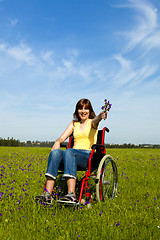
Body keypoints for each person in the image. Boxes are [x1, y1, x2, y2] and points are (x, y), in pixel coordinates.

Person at [36, 98, 107, 204]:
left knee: (69, 151)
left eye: (86, 109)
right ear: (77, 110)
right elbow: (62, 137)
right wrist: (57, 142)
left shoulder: (92, 123)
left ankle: (71, 195)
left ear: (90, 110)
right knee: (55, 153)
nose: (83, 111)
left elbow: (97, 119)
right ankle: (47, 195)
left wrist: (101, 116)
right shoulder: (74, 124)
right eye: (80, 108)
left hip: (87, 156)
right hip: (72, 155)